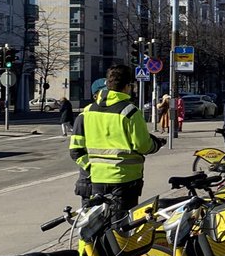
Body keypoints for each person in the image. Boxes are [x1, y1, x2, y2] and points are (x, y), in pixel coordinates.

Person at [70, 65, 165, 213]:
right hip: (125, 178)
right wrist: (156, 144)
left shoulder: (88, 111)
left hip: (98, 177)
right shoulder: (130, 112)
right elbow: (142, 145)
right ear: (127, 86)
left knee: (100, 222)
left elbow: (76, 149)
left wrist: (91, 166)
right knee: (121, 225)